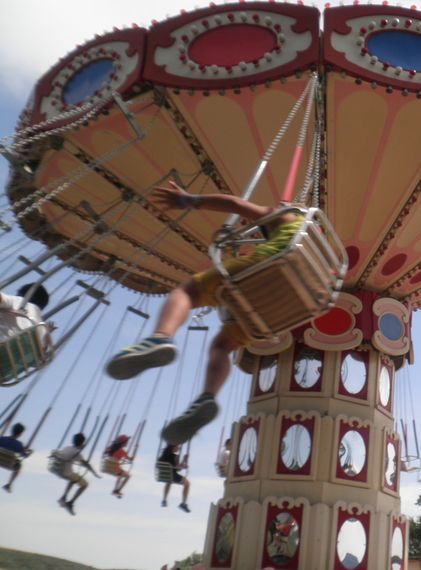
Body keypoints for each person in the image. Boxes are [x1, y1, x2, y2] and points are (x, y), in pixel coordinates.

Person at [105, 181, 304, 445]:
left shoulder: (285, 218)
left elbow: (235, 204)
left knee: (187, 291)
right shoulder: (312, 244)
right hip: (282, 304)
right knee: (222, 345)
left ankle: (160, 338)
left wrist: (188, 200)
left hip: (262, 272)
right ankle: (207, 397)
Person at [0, 283, 52, 379]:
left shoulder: (20, 302)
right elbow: (38, 358)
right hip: (6, 369)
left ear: (23, 294)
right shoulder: (40, 328)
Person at [52, 433, 100, 516]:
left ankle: (63, 498)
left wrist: (80, 448)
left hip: (57, 469)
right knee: (85, 484)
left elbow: (72, 456)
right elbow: (85, 464)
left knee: (74, 478)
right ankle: (70, 503)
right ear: (81, 443)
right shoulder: (77, 452)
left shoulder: (67, 447)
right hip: (65, 472)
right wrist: (94, 473)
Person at [0, 422, 33, 492]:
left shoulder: (2, 439)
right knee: (19, 465)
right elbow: (24, 456)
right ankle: (9, 484)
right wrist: (30, 452)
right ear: (20, 434)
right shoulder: (19, 445)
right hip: (9, 464)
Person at [159, 444, 190, 512]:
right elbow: (178, 469)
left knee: (169, 480)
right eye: (177, 446)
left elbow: (175, 467)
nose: (178, 448)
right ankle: (183, 503)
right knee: (187, 483)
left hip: (163, 474)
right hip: (172, 475)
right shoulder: (175, 457)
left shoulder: (163, 455)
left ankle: (164, 499)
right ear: (173, 447)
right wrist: (184, 461)